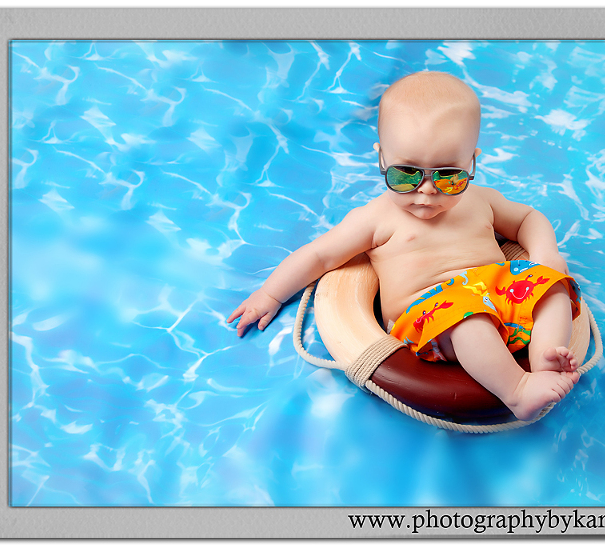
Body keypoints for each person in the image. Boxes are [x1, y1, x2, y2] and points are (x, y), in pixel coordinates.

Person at [228, 71, 582, 421]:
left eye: (448, 176)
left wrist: (545, 254)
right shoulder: (375, 219)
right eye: (406, 175)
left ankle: (545, 357)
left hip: (497, 292)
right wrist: (270, 295)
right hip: (436, 314)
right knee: (468, 320)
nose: (427, 190)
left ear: (471, 161)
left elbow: (527, 219)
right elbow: (319, 254)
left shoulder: (480, 200)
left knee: (554, 288)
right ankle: (517, 391)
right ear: (382, 158)